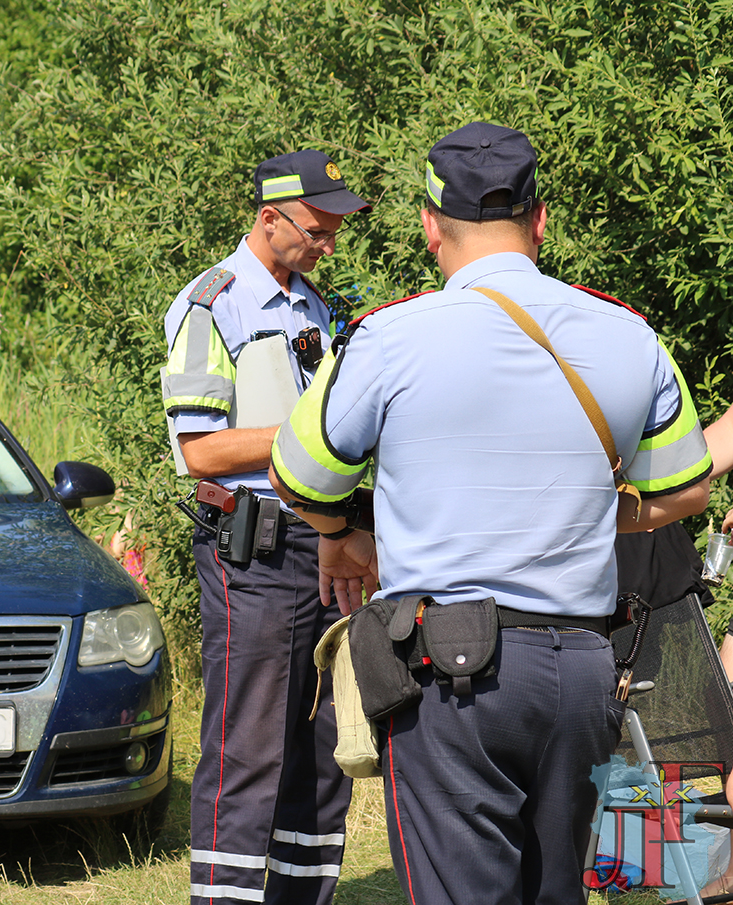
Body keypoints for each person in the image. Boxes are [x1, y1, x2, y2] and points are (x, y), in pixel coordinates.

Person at [269, 122, 711, 904]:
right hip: (583, 668)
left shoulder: (389, 336)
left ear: (431, 226)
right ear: (540, 222)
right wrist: (578, 514)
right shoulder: (628, 333)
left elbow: (299, 475)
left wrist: (343, 536)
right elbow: (685, 489)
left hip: (451, 674)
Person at [161, 149, 370, 905]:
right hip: (253, 551)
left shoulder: (315, 302)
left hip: (326, 543)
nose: (328, 244)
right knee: (246, 747)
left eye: (334, 231)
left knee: (324, 749)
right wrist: (308, 435)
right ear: (270, 217)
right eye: (318, 229)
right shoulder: (210, 305)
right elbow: (200, 449)